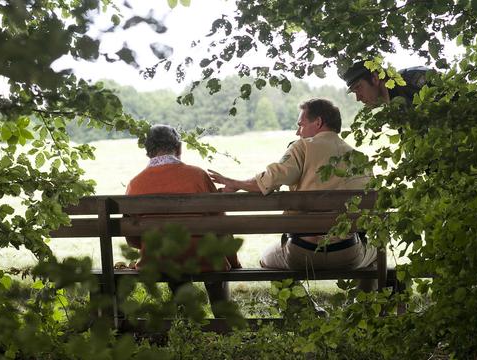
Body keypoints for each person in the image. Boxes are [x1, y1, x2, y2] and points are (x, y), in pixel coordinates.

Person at [209, 99, 376, 271]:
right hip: (347, 253)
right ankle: (368, 298)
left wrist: (236, 183)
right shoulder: (360, 159)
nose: (298, 132)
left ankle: (293, 298)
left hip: (302, 253)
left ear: (318, 122)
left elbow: (269, 181)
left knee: (266, 258)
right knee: (376, 256)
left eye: (301, 125)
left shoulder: (303, 147)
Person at [125, 124, 241, 316]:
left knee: (171, 255)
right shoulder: (198, 176)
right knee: (209, 257)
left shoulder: (135, 184)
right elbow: (221, 224)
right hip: (203, 258)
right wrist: (232, 261)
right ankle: (223, 321)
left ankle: (186, 321)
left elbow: (133, 239)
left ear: (148, 153)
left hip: (159, 260)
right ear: (179, 148)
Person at [340, 59, 430, 107]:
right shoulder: (393, 104)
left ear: (375, 78)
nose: (358, 98)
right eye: (354, 92)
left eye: (358, 88)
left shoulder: (411, 79)